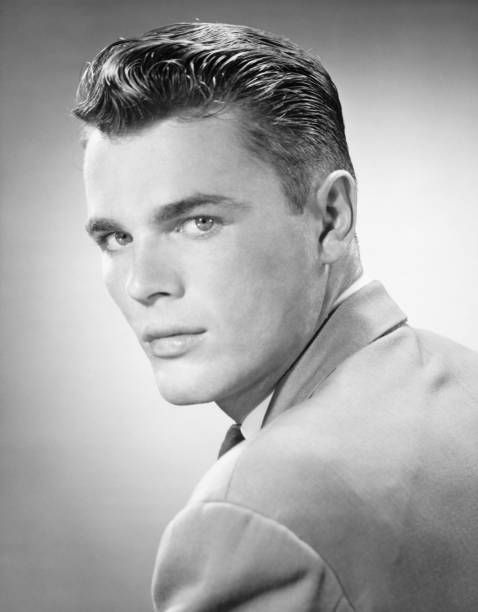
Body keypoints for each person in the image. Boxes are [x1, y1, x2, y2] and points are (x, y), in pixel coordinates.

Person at [74, 22, 478, 612]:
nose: (144, 285)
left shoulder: (251, 520)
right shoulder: (463, 380)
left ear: (331, 217)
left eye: (198, 223)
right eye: (115, 237)